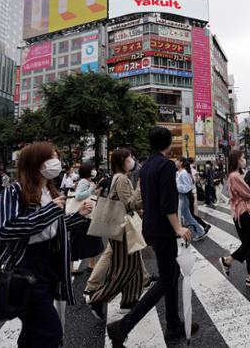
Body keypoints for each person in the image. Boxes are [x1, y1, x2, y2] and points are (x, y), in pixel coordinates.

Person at [0, 142, 93, 348]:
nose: (56, 162)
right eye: (51, 158)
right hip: (24, 265)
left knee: (33, 329)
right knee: (50, 331)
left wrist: (79, 216)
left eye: (57, 157)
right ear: (35, 162)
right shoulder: (14, 191)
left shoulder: (50, 190)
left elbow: (54, 226)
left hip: (49, 262)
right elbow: (7, 228)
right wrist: (50, 211)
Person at [106, 127, 195, 347]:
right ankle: (124, 326)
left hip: (151, 227)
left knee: (171, 274)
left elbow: (147, 199)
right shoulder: (165, 165)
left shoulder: (145, 167)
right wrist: (178, 228)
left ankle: (173, 324)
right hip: (164, 230)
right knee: (167, 279)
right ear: (168, 142)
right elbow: (167, 202)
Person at [88, 149, 145, 319]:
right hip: (122, 228)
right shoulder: (121, 179)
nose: (132, 161)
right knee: (125, 268)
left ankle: (129, 301)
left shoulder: (120, 178)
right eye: (129, 159)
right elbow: (128, 204)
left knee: (134, 265)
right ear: (122, 161)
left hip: (123, 227)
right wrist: (139, 189)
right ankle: (98, 298)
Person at [219, 149, 250, 287]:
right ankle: (234, 265)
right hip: (242, 214)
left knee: (249, 243)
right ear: (236, 160)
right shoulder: (235, 176)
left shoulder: (233, 175)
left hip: (240, 213)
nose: (244, 160)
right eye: (242, 158)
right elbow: (247, 192)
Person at [69, 163, 104, 275]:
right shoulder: (84, 181)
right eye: (93, 169)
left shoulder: (87, 181)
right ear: (88, 171)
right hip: (84, 215)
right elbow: (79, 196)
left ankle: (90, 265)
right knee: (86, 239)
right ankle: (84, 266)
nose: (94, 171)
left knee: (89, 239)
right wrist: (92, 189)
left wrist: (95, 190)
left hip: (86, 215)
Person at [176, 157, 207, 241]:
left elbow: (187, 187)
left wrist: (176, 187)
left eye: (177, 160)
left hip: (183, 197)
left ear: (181, 162)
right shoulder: (179, 172)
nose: (175, 162)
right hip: (182, 197)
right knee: (188, 217)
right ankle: (200, 232)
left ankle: (179, 232)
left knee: (181, 215)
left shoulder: (183, 173)